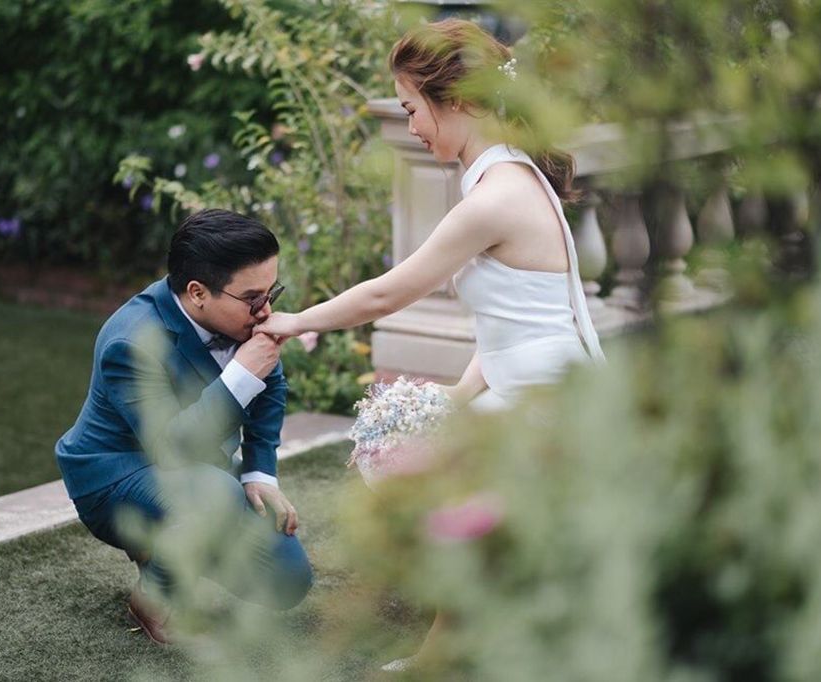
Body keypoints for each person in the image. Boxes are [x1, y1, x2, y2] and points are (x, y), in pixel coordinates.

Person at [255, 18, 606, 670]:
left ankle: (450, 651)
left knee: (437, 495)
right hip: (530, 390)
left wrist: (297, 320)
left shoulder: (496, 197)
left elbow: (390, 293)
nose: (409, 125)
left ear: (459, 101)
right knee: (421, 468)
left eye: (412, 107)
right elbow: (510, 323)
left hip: (547, 406)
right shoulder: (501, 178)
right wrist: (457, 396)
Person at [55, 208, 312, 645]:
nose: (267, 310)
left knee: (288, 580)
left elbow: (271, 387)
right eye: (253, 299)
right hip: (114, 478)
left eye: (271, 292)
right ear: (197, 293)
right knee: (216, 495)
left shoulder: (240, 317)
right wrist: (241, 374)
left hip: (202, 470)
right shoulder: (129, 341)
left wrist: (259, 473)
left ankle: (167, 542)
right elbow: (171, 449)